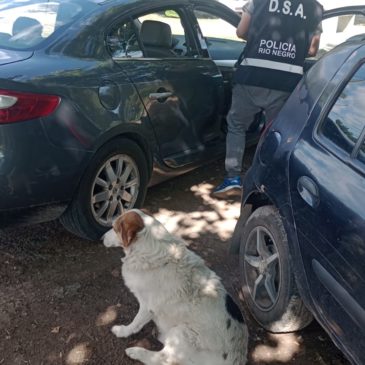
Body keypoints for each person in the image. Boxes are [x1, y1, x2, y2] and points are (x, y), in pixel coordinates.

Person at [213, 0, 323, 197]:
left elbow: (240, 31)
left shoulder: (258, 1)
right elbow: (312, 50)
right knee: (274, 133)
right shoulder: (315, 8)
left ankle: (232, 179)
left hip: (251, 76)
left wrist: (258, 38)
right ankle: (263, 181)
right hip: (286, 82)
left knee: (237, 125)